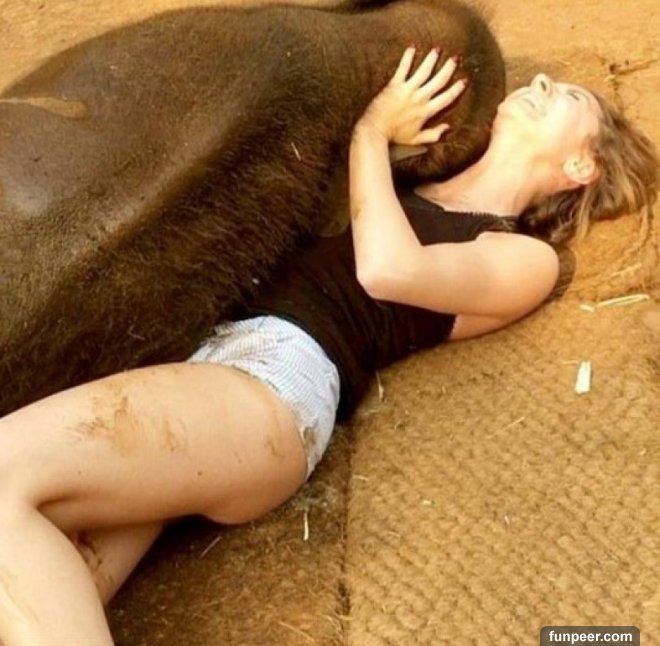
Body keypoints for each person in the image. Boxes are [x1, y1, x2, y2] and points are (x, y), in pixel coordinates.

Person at [0, 48, 657, 645]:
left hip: (273, 379)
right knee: (38, 578)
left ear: (582, 166)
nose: (540, 84)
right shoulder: (396, 187)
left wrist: (372, 131)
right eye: (542, 82)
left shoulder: (523, 256)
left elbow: (388, 270)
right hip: (197, 373)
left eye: (568, 96)